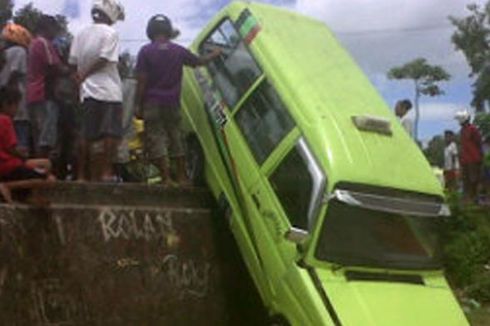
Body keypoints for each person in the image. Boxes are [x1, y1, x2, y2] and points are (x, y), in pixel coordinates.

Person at [135, 15, 221, 187]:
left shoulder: (145, 51)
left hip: (152, 102)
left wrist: (138, 105)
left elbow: (142, 81)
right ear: (168, 30)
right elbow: (199, 62)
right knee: (176, 137)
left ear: (150, 31)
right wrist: (215, 53)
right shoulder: (178, 51)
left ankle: (166, 178)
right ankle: (182, 178)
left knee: (156, 138)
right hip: (172, 103)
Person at [69, 0, 125, 182]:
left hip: (87, 92)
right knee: (110, 133)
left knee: (86, 133)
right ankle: (106, 172)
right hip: (109, 90)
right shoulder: (111, 33)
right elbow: (104, 59)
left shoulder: (80, 34)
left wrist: (80, 79)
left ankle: (81, 175)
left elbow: (72, 63)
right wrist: (85, 74)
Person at [27, 15, 64, 160]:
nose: (55, 33)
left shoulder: (32, 43)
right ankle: (43, 167)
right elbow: (54, 65)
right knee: (46, 136)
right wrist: (70, 71)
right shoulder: (43, 43)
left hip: (33, 93)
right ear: (46, 28)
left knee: (38, 135)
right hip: (45, 93)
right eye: (53, 29)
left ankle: (39, 167)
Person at [0, 87, 52, 182]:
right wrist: (23, 155)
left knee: (45, 163)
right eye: (16, 106)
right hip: (8, 167)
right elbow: (11, 149)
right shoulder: (5, 120)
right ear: (6, 104)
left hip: (8, 164)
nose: (17, 110)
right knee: (48, 176)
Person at [0, 23, 32, 157]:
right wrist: (12, 98)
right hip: (16, 102)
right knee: (19, 138)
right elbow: (15, 73)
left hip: (4, 101)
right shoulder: (20, 52)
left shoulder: (4, 54)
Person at [455, 110, 483, 203]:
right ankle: (467, 200)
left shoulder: (473, 129)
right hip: (465, 160)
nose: (458, 122)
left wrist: (479, 158)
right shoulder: (462, 131)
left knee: (473, 180)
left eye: (459, 120)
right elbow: (462, 146)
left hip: (474, 159)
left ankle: (474, 199)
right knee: (466, 180)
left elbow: (478, 143)